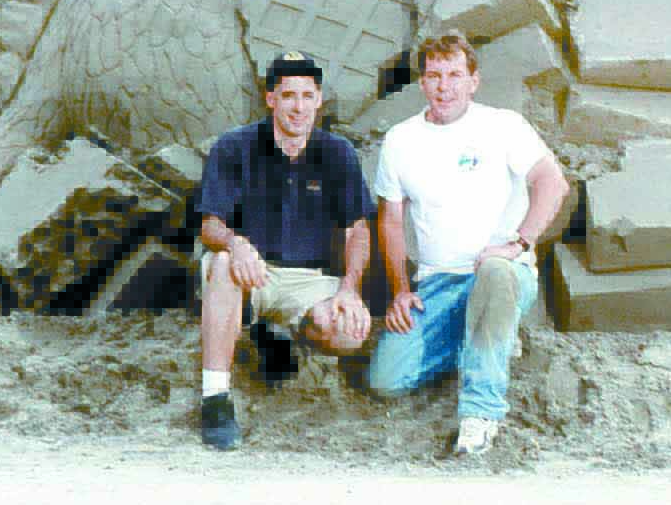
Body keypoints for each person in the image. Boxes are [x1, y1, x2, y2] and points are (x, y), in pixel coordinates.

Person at [368, 30, 571, 456]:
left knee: (494, 273)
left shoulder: (503, 126)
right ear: (422, 82)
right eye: (435, 76)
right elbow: (391, 219)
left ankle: (480, 415)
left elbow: (552, 182)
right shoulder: (401, 140)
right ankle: (488, 337)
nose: (445, 87)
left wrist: (519, 244)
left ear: (473, 81)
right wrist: (401, 290)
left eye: (455, 75)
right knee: (387, 379)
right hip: (438, 282)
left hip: (500, 274)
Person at [195, 51, 375, 450]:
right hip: (251, 272)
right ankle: (215, 398)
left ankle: (282, 339)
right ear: (270, 98)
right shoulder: (235, 146)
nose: (298, 107)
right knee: (222, 264)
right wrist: (236, 243)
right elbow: (209, 225)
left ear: (319, 99)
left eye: (307, 96)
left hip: (307, 278)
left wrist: (350, 289)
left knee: (348, 333)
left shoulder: (337, 153)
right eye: (288, 95)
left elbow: (358, 230)